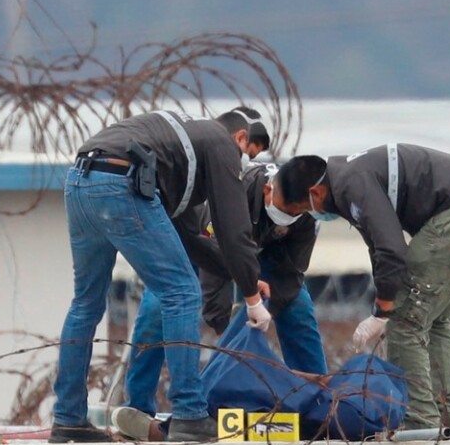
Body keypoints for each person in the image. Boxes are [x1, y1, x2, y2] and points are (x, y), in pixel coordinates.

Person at [49, 108, 272, 444]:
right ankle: (189, 413)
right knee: (182, 294)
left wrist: (243, 277)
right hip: (122, 182)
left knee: (86, 303)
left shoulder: (177, 154)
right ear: (240, 137)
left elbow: (190, 240)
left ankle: (68, 419)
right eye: (246, 154)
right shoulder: (220, 143)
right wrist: (253, 301)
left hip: (81, 182)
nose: (241, 164)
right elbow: (232, 227)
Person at [267, 145, 450, 436]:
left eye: (302, 210)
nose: (309, 216)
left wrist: (382, 312)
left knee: (405, 322)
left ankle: (419, 420)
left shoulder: (352, 184)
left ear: (315, 194)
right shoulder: (349, 179)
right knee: (433, 320)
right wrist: (382, 305)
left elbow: (392, 250)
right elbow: (379, 249)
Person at [119, 159, 328, 423]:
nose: (290, 215)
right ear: (268, 190)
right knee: (158, 304)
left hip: (258, 253)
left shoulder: (308, 215)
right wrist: (226, 331)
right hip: (199, 244)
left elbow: (291, 274)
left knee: (298, 306)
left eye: (297, 211)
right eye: (285, 209)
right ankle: (138, 407)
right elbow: (212, 265)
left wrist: (260, 314)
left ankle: (317, 406)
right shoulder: (235, 192)